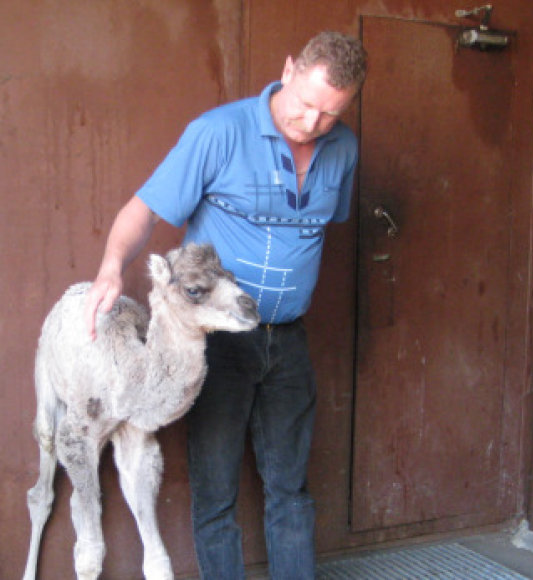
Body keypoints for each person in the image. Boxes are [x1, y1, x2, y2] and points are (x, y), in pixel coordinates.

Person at [83, 31, 367, 580]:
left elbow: (317, 229)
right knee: (215, 492)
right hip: (217, 344)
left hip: (287, 338)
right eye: (305, 105)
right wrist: (110, 268)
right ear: (287, 69)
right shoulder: (217, 132)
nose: (312, 123)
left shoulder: (345, 149)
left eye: (330, 114)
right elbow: (142, 210)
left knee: (291, 488)